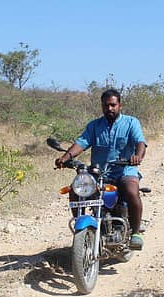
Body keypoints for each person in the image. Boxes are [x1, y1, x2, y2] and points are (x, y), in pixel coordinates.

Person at [54, 89, 147, 250]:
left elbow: (140, 142)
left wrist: (137, 156)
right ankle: (82, 229)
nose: (109, 108)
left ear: (120, 105)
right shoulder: (94, 126)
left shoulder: (131, 123)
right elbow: (81, 143)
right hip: (99, 172)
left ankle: (135, 233)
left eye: (113, 105)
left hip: (125, 170)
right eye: (106, 105)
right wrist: (66, 157)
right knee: (76, 190)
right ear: (102, 106)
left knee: (131, 191)